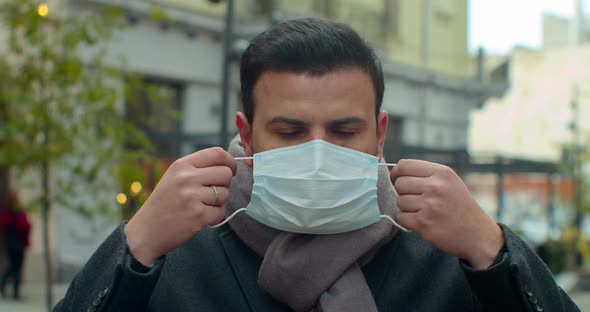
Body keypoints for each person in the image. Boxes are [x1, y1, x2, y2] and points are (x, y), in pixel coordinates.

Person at [54, 18, 579, 311]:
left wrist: (493, 250)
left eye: (344, 131)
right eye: (290, 131)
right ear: (247, 135)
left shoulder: (446, 252)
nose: (319, 151)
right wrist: (136, 245)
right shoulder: (178, 253)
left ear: (378, 133)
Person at [0, 191, 31, 300]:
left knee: (13, 267)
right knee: (16, 268)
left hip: (11, 243)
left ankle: (6, 287)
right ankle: (13, 292)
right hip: (17, 243)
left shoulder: (6, 212)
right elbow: (25, 226)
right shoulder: (17, 212)